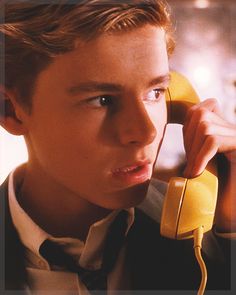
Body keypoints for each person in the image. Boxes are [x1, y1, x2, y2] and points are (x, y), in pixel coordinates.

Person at [0, 0, 235, 294]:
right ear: (10, 110)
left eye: (155, 92)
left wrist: (231, 233)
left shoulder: (210, 243)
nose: (147, 132)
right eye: (102, 99)